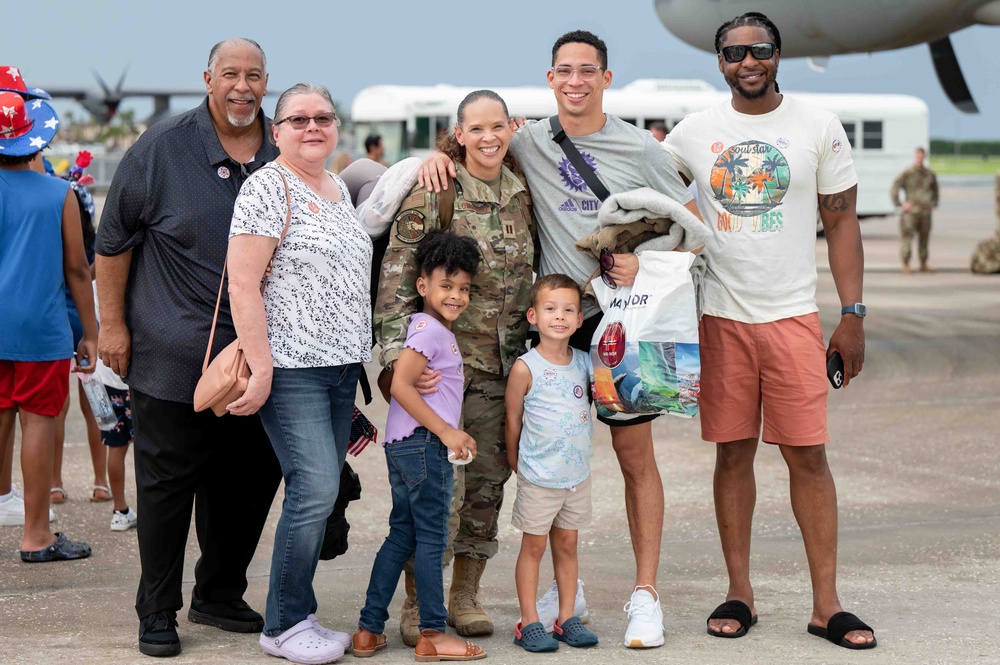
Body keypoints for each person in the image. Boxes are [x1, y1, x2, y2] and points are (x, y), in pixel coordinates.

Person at [419, 30, 701, 648]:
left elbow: (692, 228)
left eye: (587, 71)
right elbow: (477, 141)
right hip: (553, 325)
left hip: (624, 319)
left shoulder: (639, 146)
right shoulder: (530, 139)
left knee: (634, 459)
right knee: (545, 464)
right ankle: (555, 596)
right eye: (563, 71)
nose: (575, 81)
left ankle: (645, 597)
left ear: (606, 77)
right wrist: (433, 158)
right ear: (550, 79)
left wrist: (639, 254)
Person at [661, 11, 876, 649]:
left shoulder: (817, 126)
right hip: (720, 318)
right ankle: (739, 591)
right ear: (719, 61)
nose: (747, 62)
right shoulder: (693, 134)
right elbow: (651, 197)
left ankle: (827, 605)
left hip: (793, 318)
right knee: (733, 453)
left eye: (759, 51)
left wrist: (853, 315)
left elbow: (840, 222)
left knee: (808, 456)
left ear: (778, 55)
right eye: (733, 53)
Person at [95, 38, 283, 657]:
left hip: (258, 359)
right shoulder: (162, 147)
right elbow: (114, 240)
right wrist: (112, 327)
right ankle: (157, 610)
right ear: (208, 78)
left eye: (254, 75)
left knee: (249, 482)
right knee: (167, 489)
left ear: (265, 83)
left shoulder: (285, 148)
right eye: (231, 73)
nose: (243, 86)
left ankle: (219, 592)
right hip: (173, 357)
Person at [376, 89, 535, 643]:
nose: (489, 138)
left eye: (499, 126)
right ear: (459, 133)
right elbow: (395, 286)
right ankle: (420, 604)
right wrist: (396, 363)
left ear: (512, 128)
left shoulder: (523, 194)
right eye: (477, 129)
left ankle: (464, 594)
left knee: (487, 489)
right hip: (440, 377)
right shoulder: (434, 192)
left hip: (500, 372)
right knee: (434, 495)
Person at [227, 82, 371, 664]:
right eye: (299, 119)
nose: (313, 127)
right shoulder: (266, 187)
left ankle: (300, 612)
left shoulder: (338, 187)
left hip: (340, 368)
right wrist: (260, 369)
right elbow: (243, 283)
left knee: (321, 489)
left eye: (323, 118)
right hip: (290, 369)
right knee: (313, 490)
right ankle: (283, 623)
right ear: (276, 129)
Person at [355, 229, 487, 662]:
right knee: (432, 539)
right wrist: (447, 432)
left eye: (464, 288)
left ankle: (368, 630)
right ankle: (433, 632)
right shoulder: (428, 330)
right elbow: (404, 387)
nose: (456, 295)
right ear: (422, 286)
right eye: (446, 285)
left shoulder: (429, 329)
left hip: (406, 447)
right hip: (424, 446)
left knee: (402, 537)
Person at [0, 89, 96, 563]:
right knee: (38, 423)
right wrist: (92, 331)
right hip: (41, 329)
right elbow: (78, 269)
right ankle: (36, 535)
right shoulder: (61, 194)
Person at [505, 274, 598, 652]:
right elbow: (512, 420)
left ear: (579, 320)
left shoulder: (584, 363)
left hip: (576, 477)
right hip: (539, 477)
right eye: (550, 309)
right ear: (533, 315)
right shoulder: (525, 368)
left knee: (568, 547)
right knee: (534, 548)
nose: (559, 317)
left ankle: (565, 618)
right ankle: (528, 622)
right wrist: (516, 462)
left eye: (568, 310)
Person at [891, 147, 938, 273]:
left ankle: (923, 263)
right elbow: (895, 187)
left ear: (924, 157)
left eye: (922, 157)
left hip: (925, 211)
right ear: (914, 157)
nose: (919, 159)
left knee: (924, 238)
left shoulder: (929, 174)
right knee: (907, 237)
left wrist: (934, 202)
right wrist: (900, 204)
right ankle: (906, 263)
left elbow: (935, 189)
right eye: (918, 157)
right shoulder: (908, 173)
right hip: (911, 213)